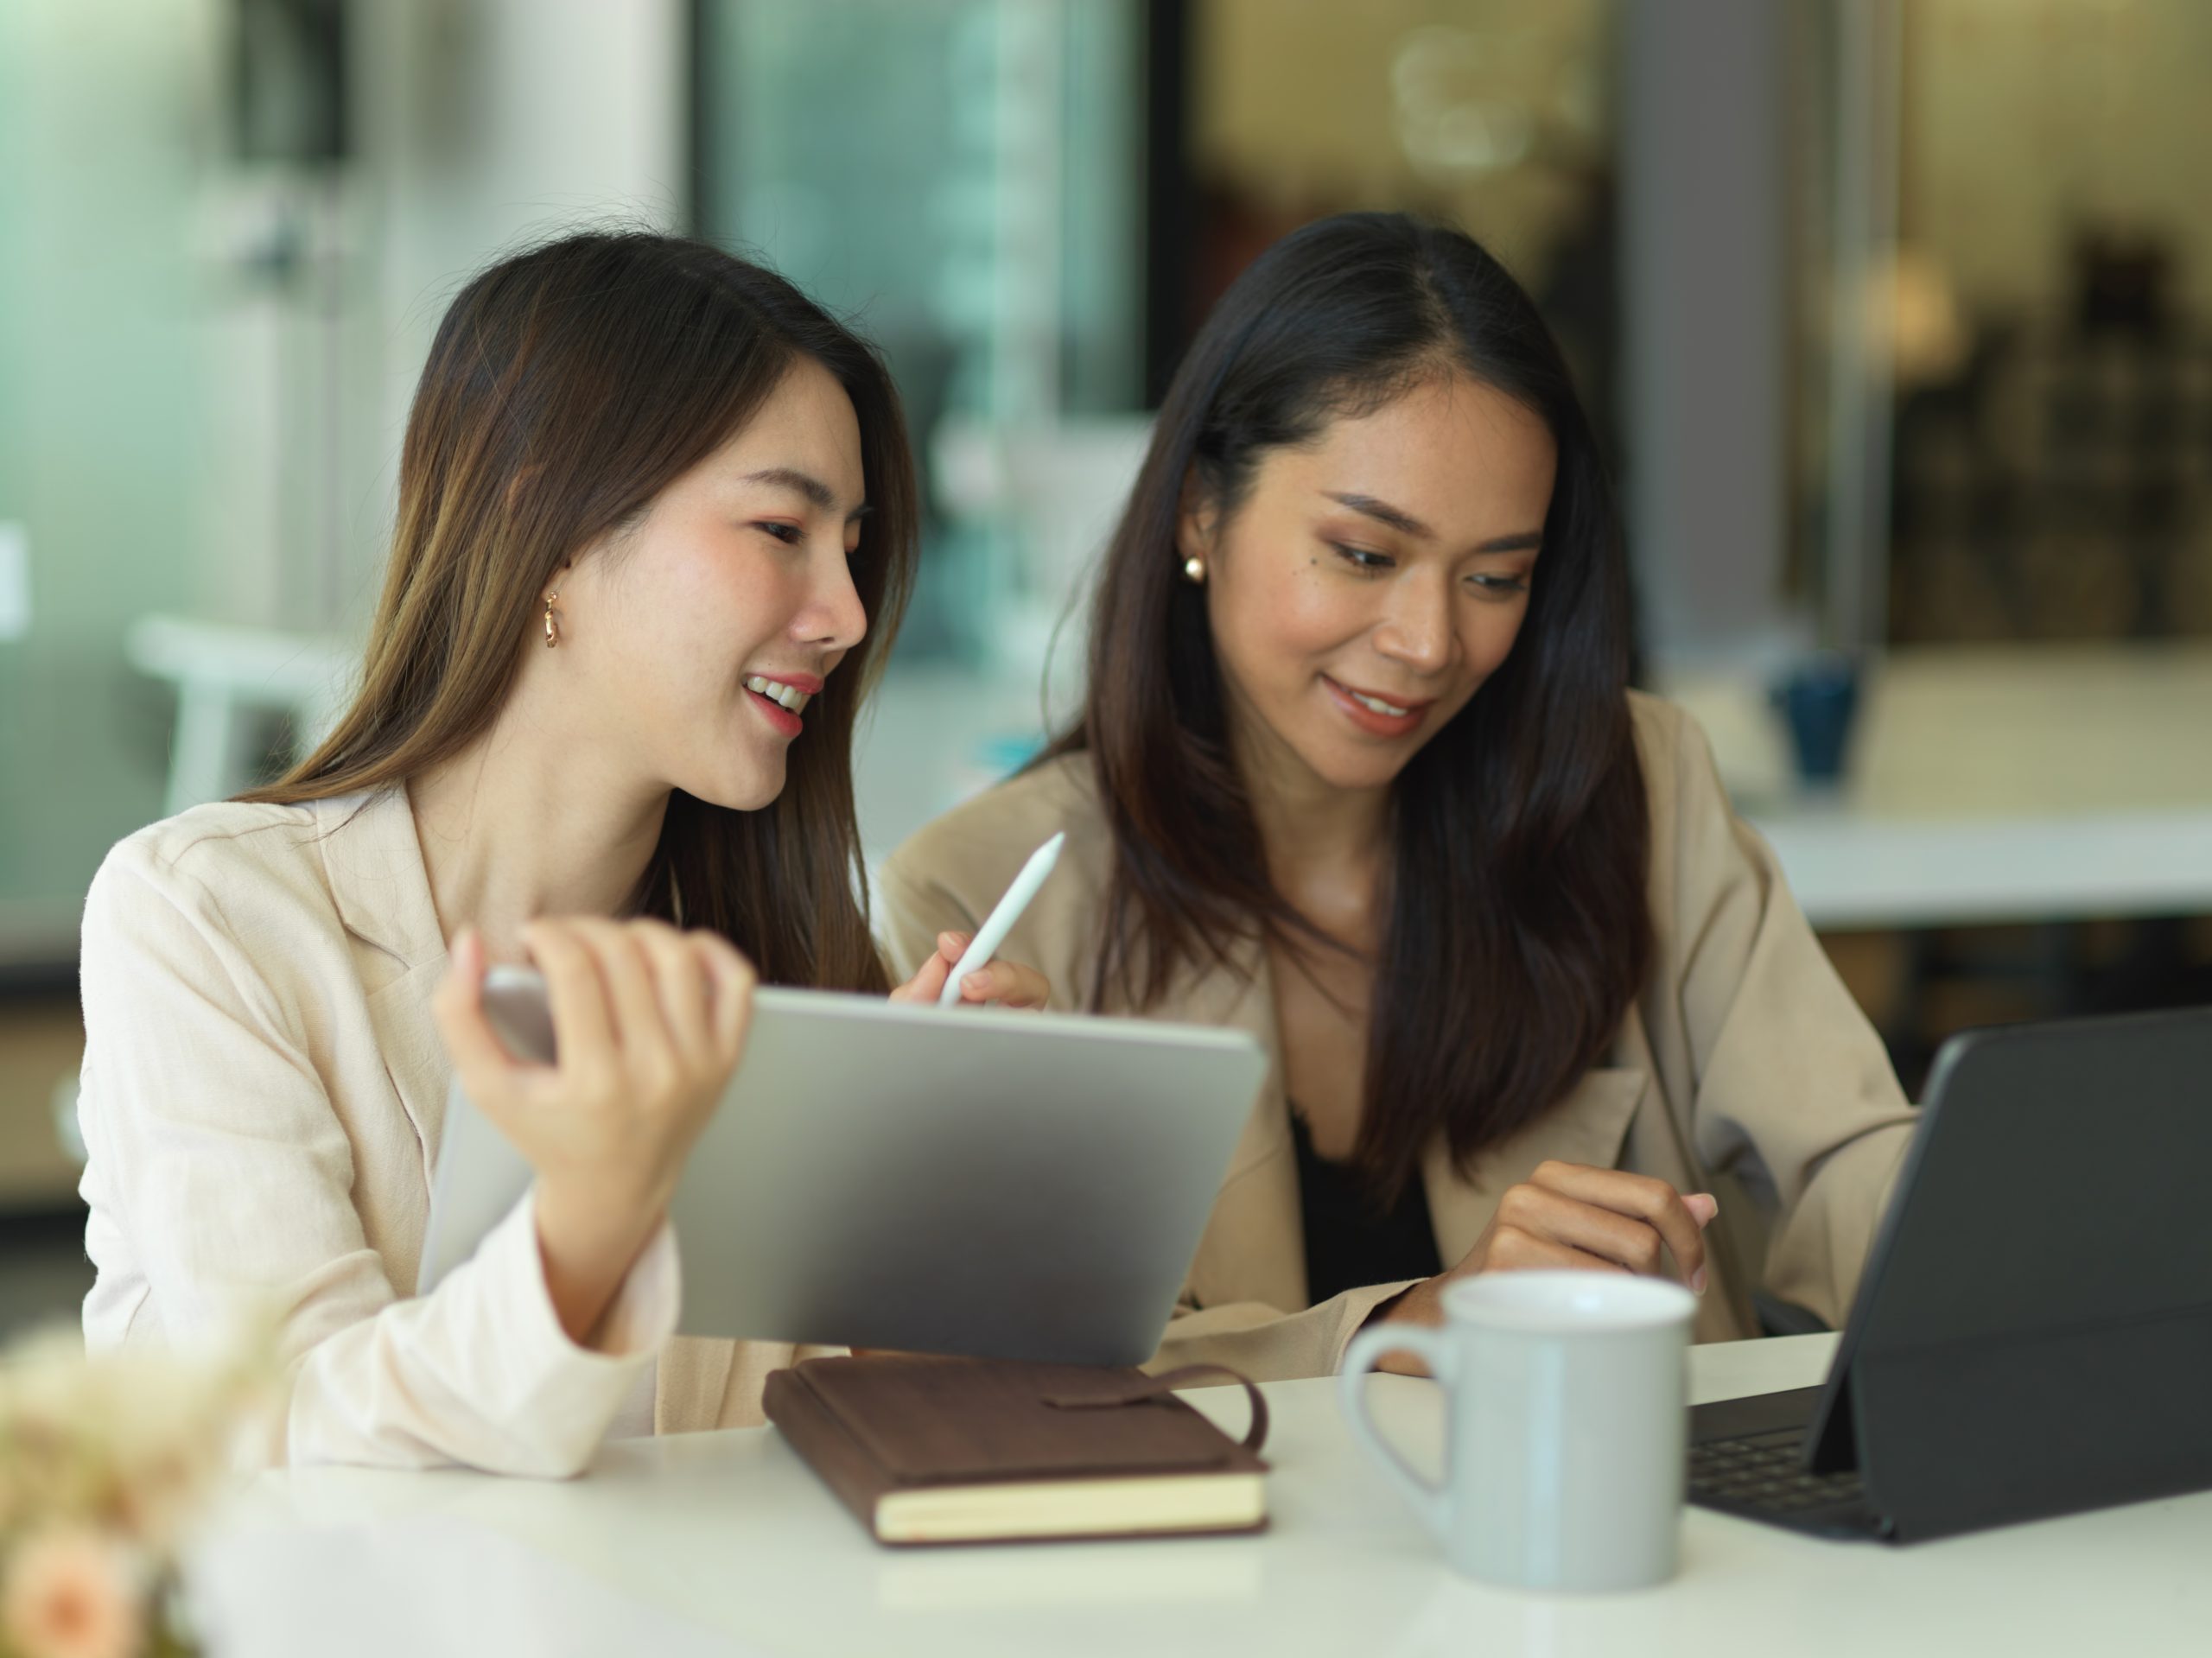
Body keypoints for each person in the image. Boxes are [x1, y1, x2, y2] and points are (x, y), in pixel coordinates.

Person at [880, 213, 1915, 1379]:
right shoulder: (977, 903)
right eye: (1365, 556)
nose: (1430, 643)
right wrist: (1423, 1325)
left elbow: (1855, 1169)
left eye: (1495, 578)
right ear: (1199, 511)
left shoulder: (1634, 789)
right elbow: (1014, 1372)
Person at [76, 232, 1044, 1473]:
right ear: (547, 523)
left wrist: (935, 1183)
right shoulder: (208, 921)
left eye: (852, 545)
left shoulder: (790, 969)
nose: (848, 615)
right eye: (779, 528)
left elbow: (816, 1457)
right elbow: (304, 1432)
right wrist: (590, 1220)